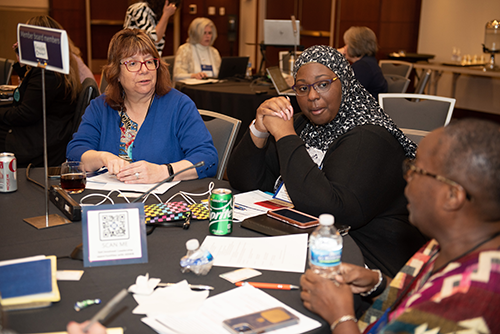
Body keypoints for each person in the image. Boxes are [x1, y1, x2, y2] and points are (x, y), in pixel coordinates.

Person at [227, 45, 426, 277]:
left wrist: (285, 137)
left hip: (365, 262)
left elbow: (331, 211)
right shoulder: (304, 125)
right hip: (306, 240)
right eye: (302, 88)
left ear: (345, 82)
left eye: (323, 84)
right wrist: (259, 129)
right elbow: (245, 181)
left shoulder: (369, 136)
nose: (312, 96)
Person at [300, 118, 500, 334]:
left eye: (416, 170)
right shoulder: (449, 243)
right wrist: (379, 284)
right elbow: (416, 302)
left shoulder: (471, 303)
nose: (407, 179)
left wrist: (341, 317)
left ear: (452, 196)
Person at [66, 29, 218, 183]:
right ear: (116, 73)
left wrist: (164, 172)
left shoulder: (179, 105)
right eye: (132, 63)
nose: (144, 70)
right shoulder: (100, 107)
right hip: (111, 202)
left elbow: (207, 159)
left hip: (164, 202)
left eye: (149, 61)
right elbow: (75, 153)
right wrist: (103, 157)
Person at [0, 15, 81, 167]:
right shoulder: (56, 69)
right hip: (48, 134)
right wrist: (22, 60)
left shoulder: (47, 74)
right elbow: (27, 96)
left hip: (40, 142)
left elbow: (25, 113)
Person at [338, 27, 387, 100]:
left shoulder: (363, 66)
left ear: (355, 46)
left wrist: (336, 58)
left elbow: (344, 93)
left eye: (346, 44)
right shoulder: (368, 62)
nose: (344, 48)